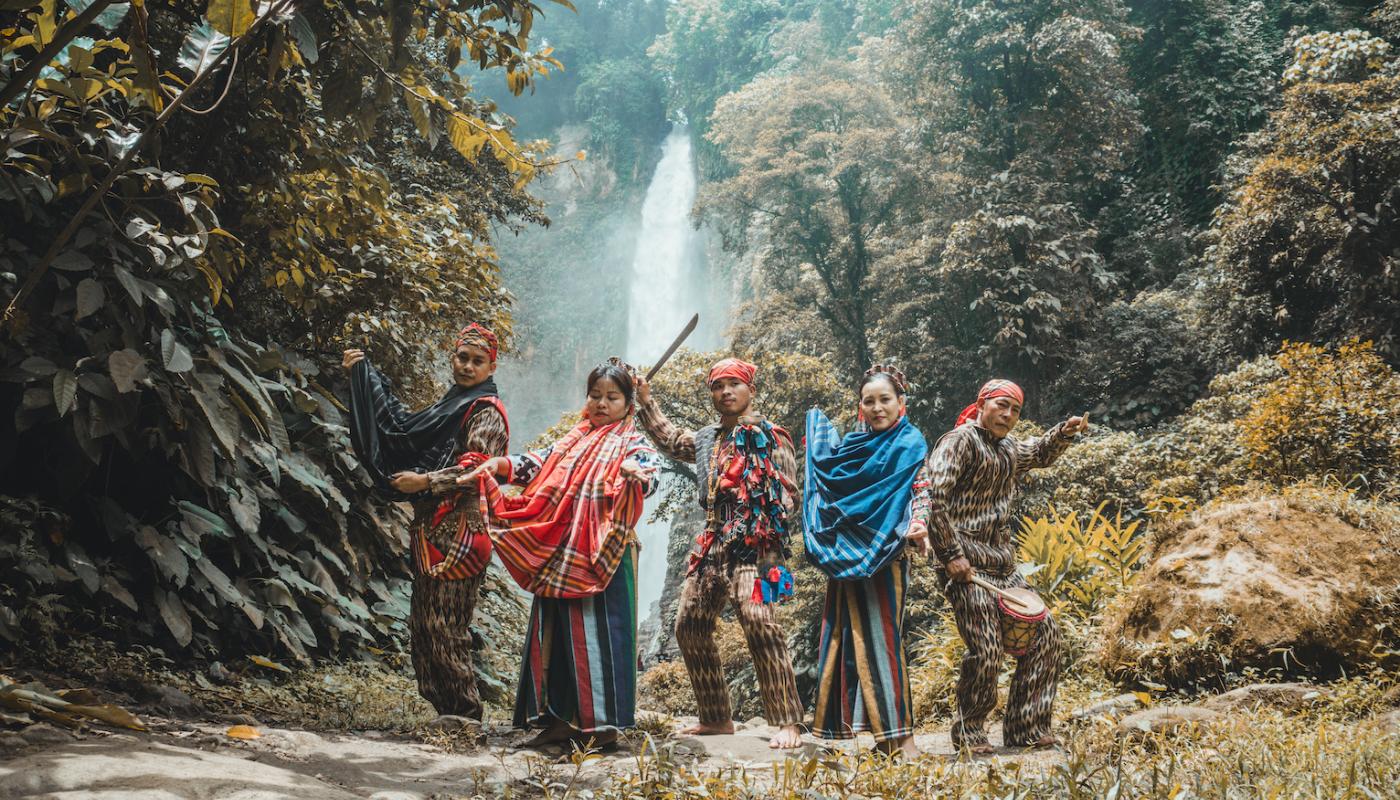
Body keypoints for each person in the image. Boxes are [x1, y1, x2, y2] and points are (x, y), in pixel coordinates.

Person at [461, 359, 658, 749]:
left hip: (605, 551)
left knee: (598, 633)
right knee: (554, 631)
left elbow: (647, 469)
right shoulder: (573, 440)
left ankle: (601, 728)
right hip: (559, 549)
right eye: (595, 395)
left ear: (628, 403)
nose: (602, 403)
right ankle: (557, 722)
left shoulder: (632, 442)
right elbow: (535, 462)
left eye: (612, 397)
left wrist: (638, 474)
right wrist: (495, 465)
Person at [632, 358, 805, 750]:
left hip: (754, 545)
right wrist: (646, 401)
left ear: (750, 390)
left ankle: (789, 722)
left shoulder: (772, 436)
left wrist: (766, 527)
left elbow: (789, 492)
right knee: (688, 625)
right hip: (712, 543)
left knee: (760, 620)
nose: (725, 392)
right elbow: (673, 441)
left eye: (733, 384)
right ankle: (715, 717)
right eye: (718, 386)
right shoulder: (708, 438)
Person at [344, 323, 508, 722]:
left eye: (477, 361)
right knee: (425, 626)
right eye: (462, 358)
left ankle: (465, 716)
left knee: (446, 626)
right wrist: (361, 375)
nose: (467, 366)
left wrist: (426, 480)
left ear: (492, 367)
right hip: (434, 529)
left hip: (461, 534)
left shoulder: (485, 413)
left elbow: (480, 470)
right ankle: (446, 713)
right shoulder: (453, 404)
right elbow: (401, 428)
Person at [916, 379, 1088, 753]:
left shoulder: (1009, 448)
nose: (1007, 415)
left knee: (1047, 636)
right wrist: (950, 555)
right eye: (1001, 406)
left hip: (1004, 568)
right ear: (982, 404)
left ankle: (1026, 728)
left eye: (1015, 410)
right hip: (966, 566)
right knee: (987, 648)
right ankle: (970, 731)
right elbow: (934, 498)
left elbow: (1039, 453)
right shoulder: (958, 441)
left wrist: (1064, 432)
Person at [804, 365, 929, 758]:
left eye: (885, 400)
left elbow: (922, 489)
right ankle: (870, 738)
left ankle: (902, 739)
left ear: (901, 403)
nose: (877, 408)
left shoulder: (909, 443)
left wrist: (919, 524)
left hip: (884, 555)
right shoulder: (853, 447)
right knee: (843, 640)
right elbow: (829, 481)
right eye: (869, 401)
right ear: (860, 406)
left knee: (882, 639)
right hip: (846, 554)